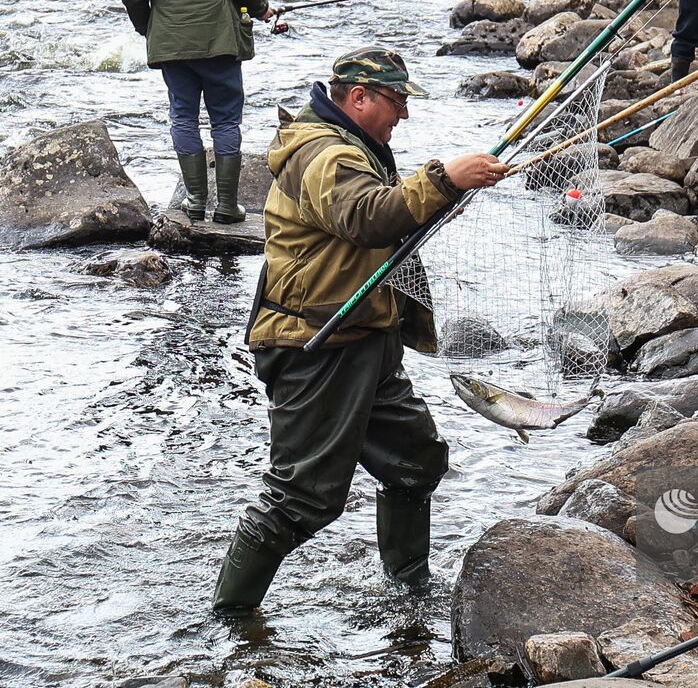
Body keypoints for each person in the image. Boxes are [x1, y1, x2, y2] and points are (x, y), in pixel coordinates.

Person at [211, 46, 508, 617]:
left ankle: (408, 597)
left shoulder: (356, 147)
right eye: (396, 102)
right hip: (316, 347)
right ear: (359, 98)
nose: (403, 115)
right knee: (303, 498)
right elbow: (366, 216)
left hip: (366, 338)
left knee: (414, 461)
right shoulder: (325, 155)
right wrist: (444, 177)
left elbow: (379, 223)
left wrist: (439, 197)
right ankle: (230, 621)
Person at [118, 0, 274, 227]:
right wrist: (263, 10)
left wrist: (150, 26)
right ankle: (227, 207)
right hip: (218, 39)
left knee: (183, 116)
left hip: (170, 42)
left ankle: (195, 201)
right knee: (225, 118)